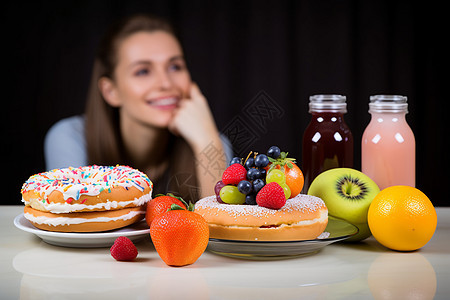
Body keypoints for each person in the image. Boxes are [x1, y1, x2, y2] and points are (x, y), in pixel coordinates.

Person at [44, 14, 232, 202]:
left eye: (175, 67)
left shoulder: (213, 143)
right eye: (143, 71)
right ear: (111, 91)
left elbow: (222, 227)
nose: (166, 83)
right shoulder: (69, 138)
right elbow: (75, 216)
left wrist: (207, 141)